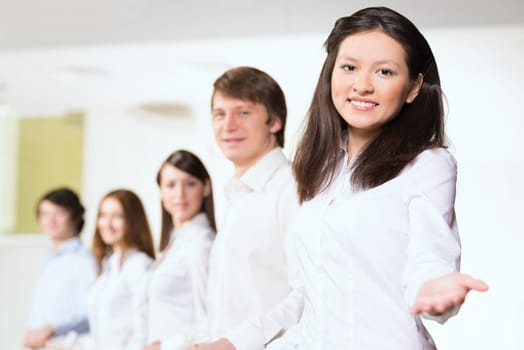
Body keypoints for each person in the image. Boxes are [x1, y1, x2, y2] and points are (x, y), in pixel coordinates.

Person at [264, 6, 488, 349]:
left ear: (413, 87)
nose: (362, 85)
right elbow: (317, 301)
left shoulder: (428, 165)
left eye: (384, 71)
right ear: (331, 74)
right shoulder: (318, 169)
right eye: (349, 67)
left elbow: (430, 259)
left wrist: (435, 287)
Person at [185, 66, 301, 350]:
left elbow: (308, 295)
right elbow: (227, 307)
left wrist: (236, 343)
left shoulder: (293, 189)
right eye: (220, 114)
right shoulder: (238, 197)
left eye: (243, 112)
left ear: (274, 122)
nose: (228, 126)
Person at [48, 189, 156, 350]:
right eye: (103, 215)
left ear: (133, 220)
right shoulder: (108, 266)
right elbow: (105, 334)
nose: (107, 223)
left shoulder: (139, 265)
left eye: (117, 216)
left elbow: (143, 332)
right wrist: (66, 344)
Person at [143, 150, 216, 350]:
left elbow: (212, 317)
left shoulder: (201, 244)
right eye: (170, 185)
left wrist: (166, 346)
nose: (179, 194)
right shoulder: (174, 243)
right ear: (160, 192)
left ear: (206, 187)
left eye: (190, 183)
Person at [23, 187, 96, 350]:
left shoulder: (84, 260)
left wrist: (51, 329)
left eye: (59, 213)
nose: (50, 220)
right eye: (44, 214)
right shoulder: (51, 259)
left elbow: (91, 311)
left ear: (76, 218)